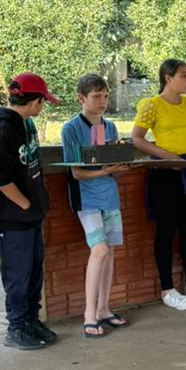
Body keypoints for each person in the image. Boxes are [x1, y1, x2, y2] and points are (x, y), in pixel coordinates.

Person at [0, 73, 59, 351]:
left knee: (32, 272)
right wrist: (26, 204)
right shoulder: (5, 129)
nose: (43, 106)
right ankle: (16, 327)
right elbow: (0, 177)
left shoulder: (25, 125)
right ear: (35, 101)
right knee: (17, 275)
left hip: (30, 216)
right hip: (12, 219)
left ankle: (30, 320)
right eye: (43, 101)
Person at [132, 59, 186, 311]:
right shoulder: (151, 105)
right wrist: (166, 156)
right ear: (167, 78)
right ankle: (167, 288)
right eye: (183, 76)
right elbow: (137, 139)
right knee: (165, 230)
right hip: (165, 172)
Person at [61, 74, 129, 337]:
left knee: (109, 250)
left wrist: (118, 169)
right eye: (97, 96)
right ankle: (89, 313)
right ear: (81, 99)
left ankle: (104, 308)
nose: (103, 101)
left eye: (106, 96)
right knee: (99, 249)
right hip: (86, 197)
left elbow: (110, 165)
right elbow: (76, 172)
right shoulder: (70, 129)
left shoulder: (110, 127)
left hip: (109, 195)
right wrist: (105, 171)